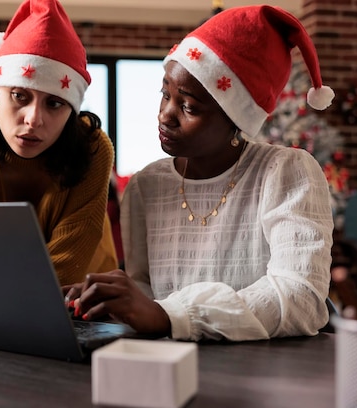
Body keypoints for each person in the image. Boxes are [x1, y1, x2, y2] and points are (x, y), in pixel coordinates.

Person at [65, 5, 336, 341]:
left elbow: (300, 298)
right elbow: (148, 290)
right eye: (165, 94)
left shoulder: (285, 173)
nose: (166, 114)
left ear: (237, 118)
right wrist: (112, 301)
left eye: (189, 106)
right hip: (170, 367)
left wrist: (171, 314)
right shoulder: (146, 186)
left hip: (263, 375)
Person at [0, 0, 118, 285]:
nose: (33, 119)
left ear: (72, 111)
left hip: (87, 303)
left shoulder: (93, 149)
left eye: (54, 103)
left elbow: (67, 272)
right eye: (19, 96)